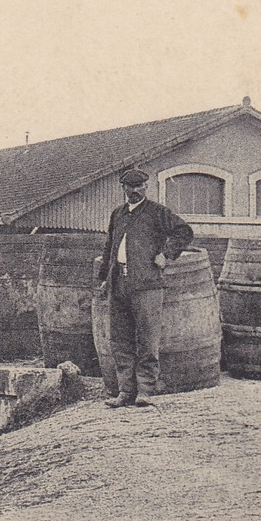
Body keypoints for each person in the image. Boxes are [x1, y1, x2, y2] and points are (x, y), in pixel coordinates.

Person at [96, 169, 193, 408]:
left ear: (146, 187)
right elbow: (110, 246)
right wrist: (103, 278)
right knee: (120, 340)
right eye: (131, 186)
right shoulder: (118, 214)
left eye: (140, 186)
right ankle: (125, 391)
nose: (135, 190)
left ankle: (146, 391)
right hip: (120, 284)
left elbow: (184, 232)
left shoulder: (157, 212)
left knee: (147, 340)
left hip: (147, 285)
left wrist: (167, 254)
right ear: (124, 189)